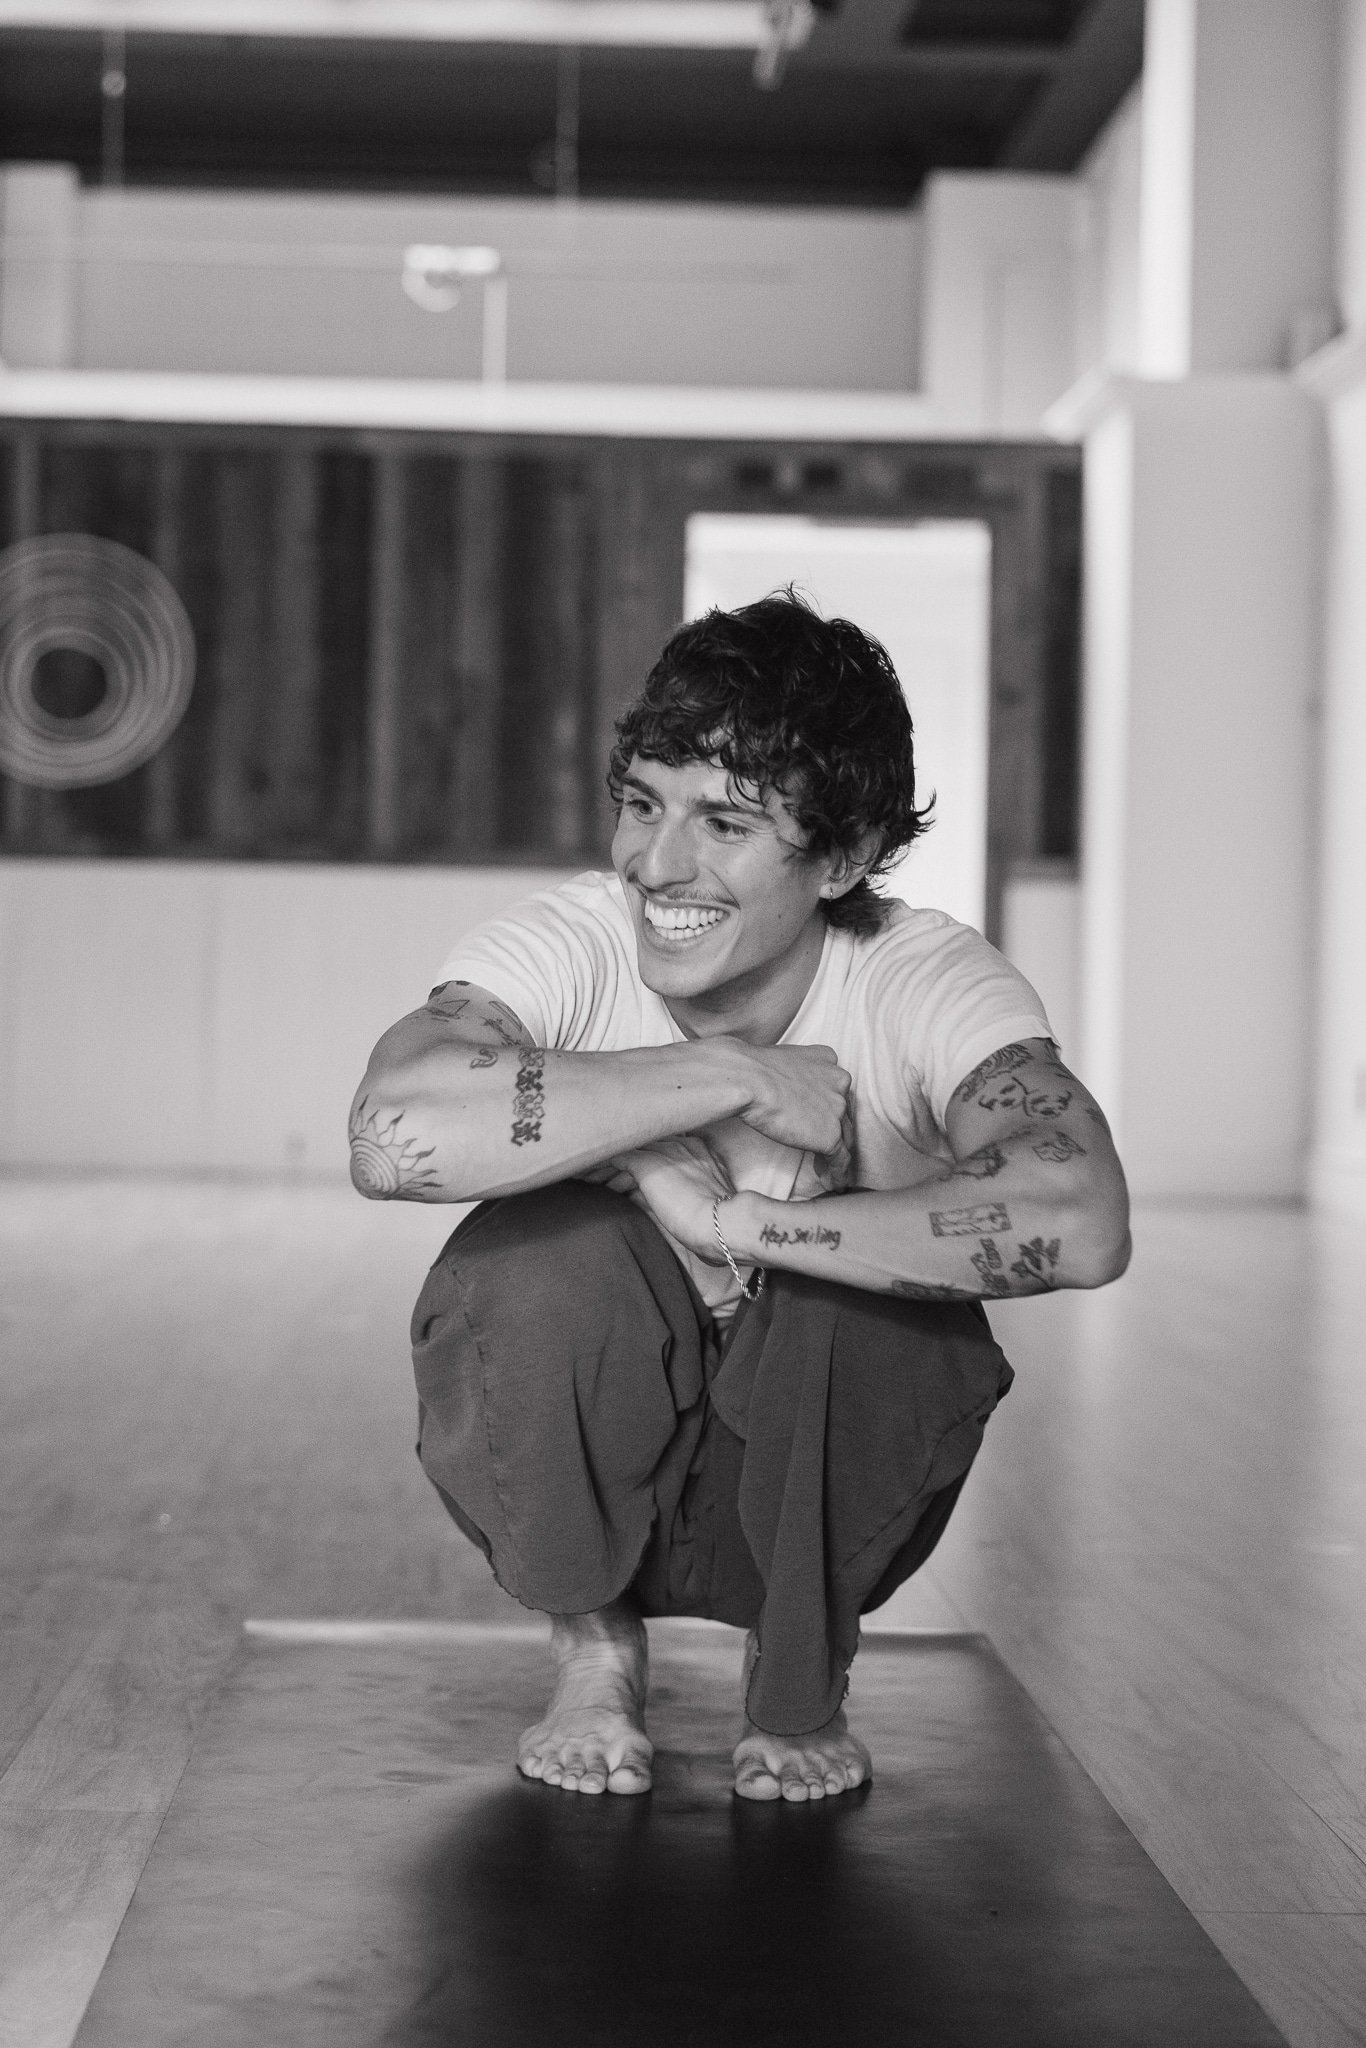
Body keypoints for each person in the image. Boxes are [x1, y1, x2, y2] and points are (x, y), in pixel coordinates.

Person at [349, 591, 1130, 1805]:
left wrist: (741, 1225)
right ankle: (596, 1650)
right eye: (643, 803)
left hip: (815, 1462)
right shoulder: (572, 940)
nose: (658, 864)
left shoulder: (921, 975)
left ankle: (800, 1669)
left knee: (862, 1306)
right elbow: (390, 1133)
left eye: (725, 823)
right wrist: (719, 1077)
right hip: (594, 1459)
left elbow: (1080, 1217)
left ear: (847, 856)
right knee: (537, 1256)